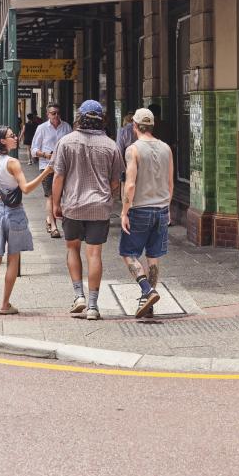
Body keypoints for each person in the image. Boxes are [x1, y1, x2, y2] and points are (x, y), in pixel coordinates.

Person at [51, 99, 123, 321]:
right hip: (99, 208)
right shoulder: (111, 145)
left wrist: (56, 204)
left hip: (72, 205)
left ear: (79, 117)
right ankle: (93, 306)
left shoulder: (66, 142)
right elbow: (115, 182)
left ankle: (78, 297)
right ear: (101, 119)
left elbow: (58, 177)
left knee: (72, 249)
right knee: (94, 254)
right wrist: (106, 196)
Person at [0, 125, 53, 316]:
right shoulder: (13, 162)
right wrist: (46, 172)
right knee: (13, 258)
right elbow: (26, 188)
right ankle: (4, 305)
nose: (15, 138)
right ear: (2, 141)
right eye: (12, 136)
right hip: (14, 212)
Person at [120, 107, 174, 317]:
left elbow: (130, 185)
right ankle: (148, 305)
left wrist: (125, 212)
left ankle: (146, 290)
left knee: (128, 253)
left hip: (140, 209)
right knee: (153, 258)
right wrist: (167, 207)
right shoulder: (166, 148)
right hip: (161, 209)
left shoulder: (133, 150)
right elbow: (170, 184)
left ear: (134, 126)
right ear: (152, 126)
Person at [31, 103, 73, 237]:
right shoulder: (42, 128)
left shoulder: (66, 127)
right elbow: (33, 150)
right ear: (48, 114)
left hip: (65, 167)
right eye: (53, 113)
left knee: (63, 196)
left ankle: (59, 222)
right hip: (47, 167)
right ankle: (54, 227)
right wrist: (45, 155)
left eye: (58, 113)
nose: (56, 115)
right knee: (51, 196)